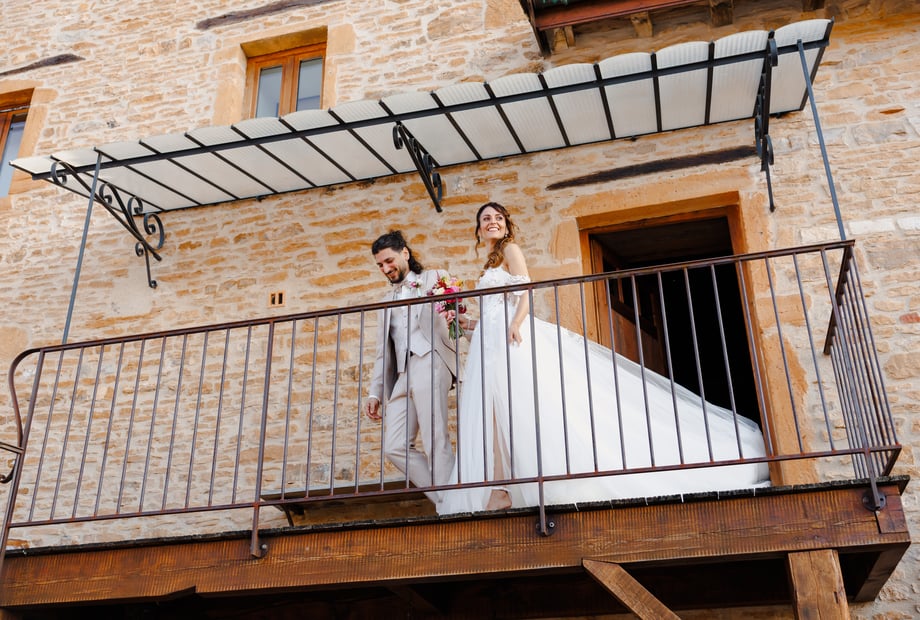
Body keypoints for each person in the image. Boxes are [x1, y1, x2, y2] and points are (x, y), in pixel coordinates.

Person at [436, 203, 770, 515]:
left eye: (498, 218)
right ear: (478, 229)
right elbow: (492, 310)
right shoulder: (490, 260)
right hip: (490, 342)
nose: (492, 223)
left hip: (510, 339)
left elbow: (525, 291)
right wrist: (466, 323)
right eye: (486, 219)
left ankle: (519, 484)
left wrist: (516, 323)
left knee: (521, 408)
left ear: (506, 225)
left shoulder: (511, 249)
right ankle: (500, 488)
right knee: (495, 413)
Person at [366, 230, 458, 503]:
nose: (386, 269)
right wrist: (374, 392)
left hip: (430, 360)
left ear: (405, 253)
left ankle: (450, 506)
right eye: (380, 265)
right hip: (402, 374)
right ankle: (449, 499)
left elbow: (454, 314)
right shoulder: (386, 302)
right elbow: (382, 352)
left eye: (389, 261)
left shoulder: (435, 278)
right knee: (394, 447)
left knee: (434, 437)